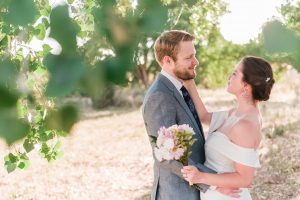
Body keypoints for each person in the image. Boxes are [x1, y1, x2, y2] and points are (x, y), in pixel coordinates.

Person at [142, 30, 233, 200]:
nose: (196, 62)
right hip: (177, 193)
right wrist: (214, 182)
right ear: (167, 60)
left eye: (195, 55)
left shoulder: (178, 87)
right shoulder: (159, 96)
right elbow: (167, 155)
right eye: (188, 57)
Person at [181, 56, 275, 199]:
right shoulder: (235, 113)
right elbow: (204, 117)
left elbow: (245, 179)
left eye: (235, 73)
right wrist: (189, 82)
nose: (229, 76)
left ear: (246, 86)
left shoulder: (245, 126)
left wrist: (200, 177)